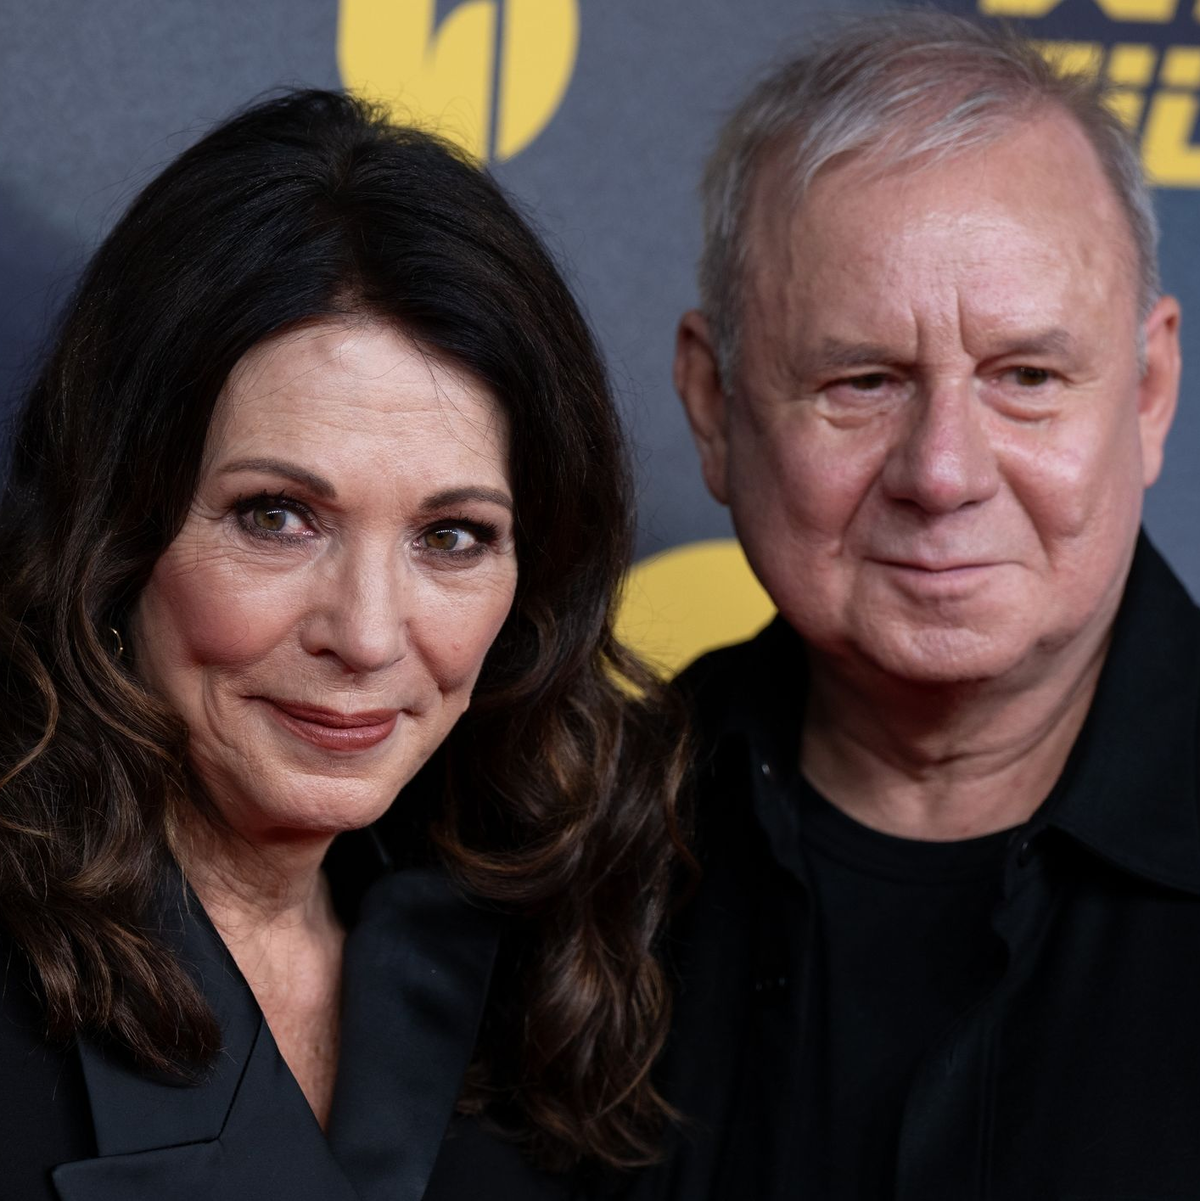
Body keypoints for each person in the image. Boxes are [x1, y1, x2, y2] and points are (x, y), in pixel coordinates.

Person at [0, 90, 687, 1201]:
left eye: (453, 536)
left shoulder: (537, 960)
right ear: (113, 526)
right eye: (277, 516)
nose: (368, 634)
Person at [655, 12, 1199, 1199]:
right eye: (863, 381)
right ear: (714, 405)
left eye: (1027, 378)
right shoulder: (568, 848)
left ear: (1150, 392)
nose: (943, 472)